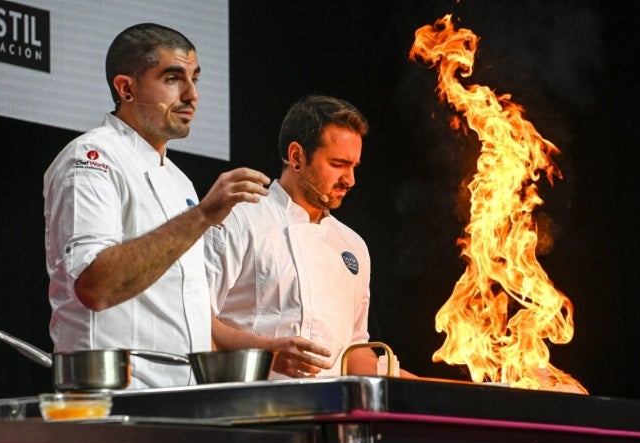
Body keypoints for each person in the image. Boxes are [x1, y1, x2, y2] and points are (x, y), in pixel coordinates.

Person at [43, 23, 270, 389]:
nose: (192, 94)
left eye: (194, 78)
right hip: (116, 398)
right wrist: (203, 215)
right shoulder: (90, 158)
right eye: (172, 78)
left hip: (181, 396)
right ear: (126, 88)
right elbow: (95, 287)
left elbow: (185, 305)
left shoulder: (180, 181)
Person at [204, 94, 417, 379]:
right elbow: (195, 317)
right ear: (296, 157)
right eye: (338, 164)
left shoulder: (352, 245)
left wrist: (430, 390)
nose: (350, 180)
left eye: (354, 166)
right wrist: (267, 354)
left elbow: (352, 352)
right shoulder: (240, 218)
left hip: (329, 413)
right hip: (248, 410)